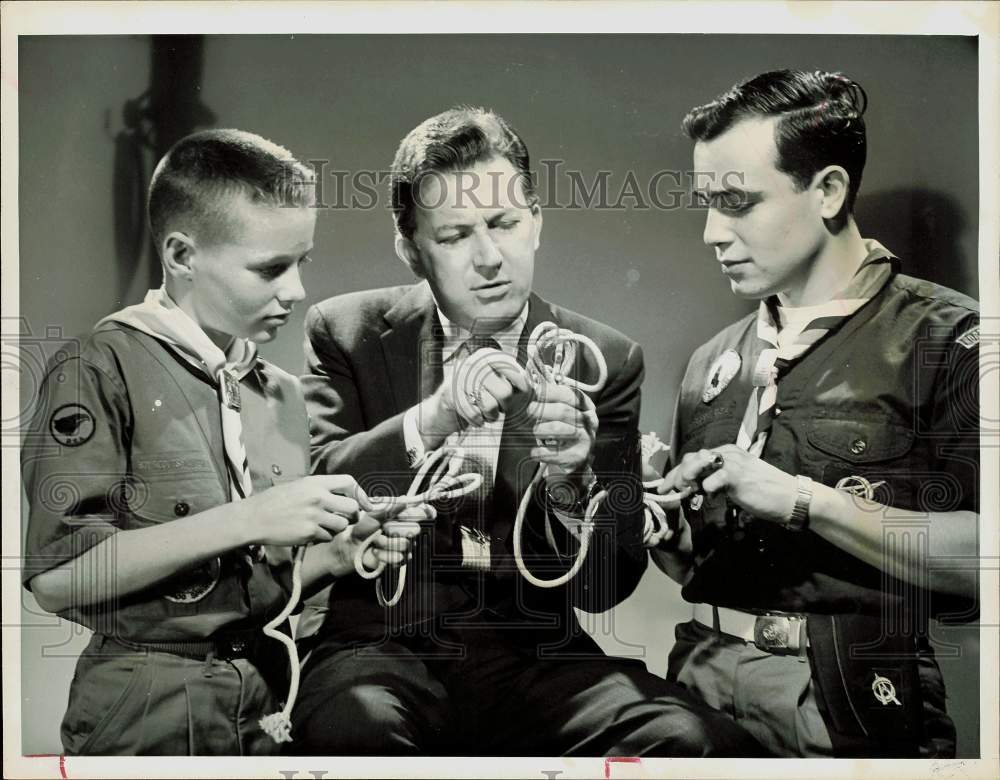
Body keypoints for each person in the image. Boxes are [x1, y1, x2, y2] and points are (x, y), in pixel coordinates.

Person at [289, 106, 763, 757]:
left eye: (505, 224)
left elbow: (609, 583)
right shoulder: (346, 329)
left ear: (536, 222)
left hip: (538, 658)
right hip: (379, 652)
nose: (490, 257)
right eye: (455, 236)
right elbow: (327, 491)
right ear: (412, 251)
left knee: (690, 740)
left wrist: (573, 480)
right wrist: (437, 417)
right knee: (357, 732)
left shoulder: (607, 357)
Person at [21, 129, 423, 755]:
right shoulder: (100, 368)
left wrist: (337, 558)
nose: (295, 291)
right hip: (144, 711)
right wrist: (250, 517)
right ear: (182, 255)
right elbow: (59, 576)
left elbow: (261, 588)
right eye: (270, 268)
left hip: (268, 708)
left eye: (301, 262)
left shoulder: (282, 396)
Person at [651, 70, 980, 758]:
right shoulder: (713, 362)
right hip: (698, 685)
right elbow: (702, 571)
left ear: (828, 190)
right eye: (707, 202)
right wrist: (666, 534)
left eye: (737, 202)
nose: (713, 232)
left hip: (846, 700)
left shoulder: (947, 341)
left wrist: (804, 501)